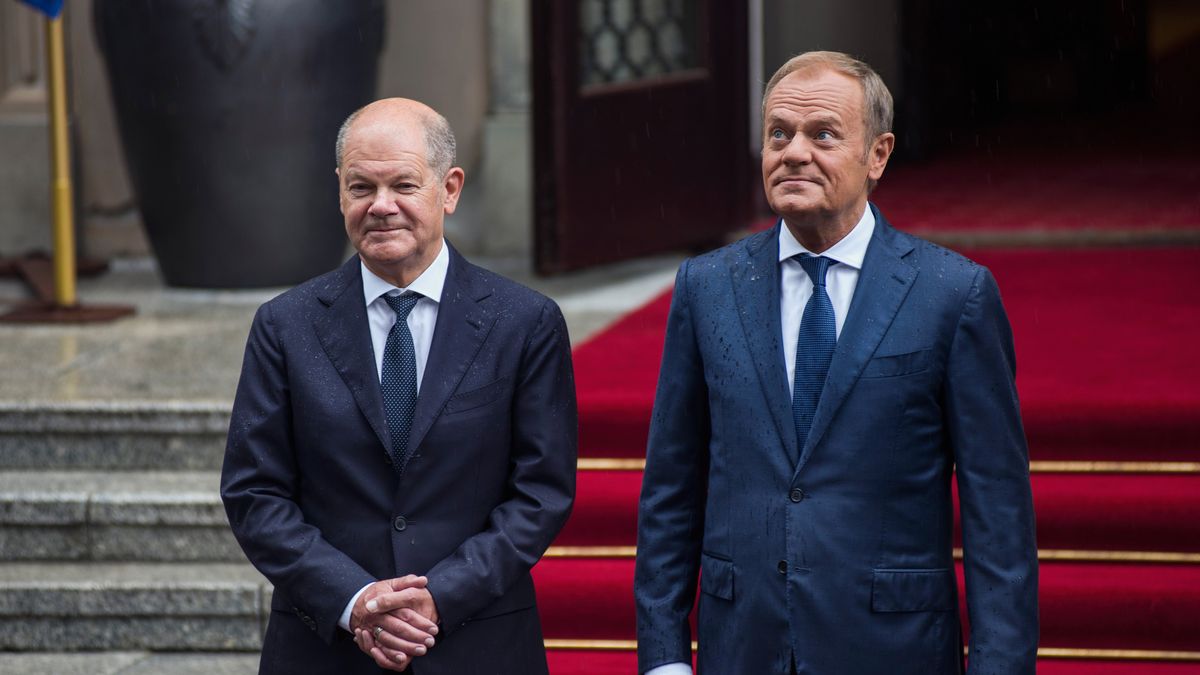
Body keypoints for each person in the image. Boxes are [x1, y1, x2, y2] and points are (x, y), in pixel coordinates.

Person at [633, 51, 1038, 674]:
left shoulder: (952, 293)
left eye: (822, 135)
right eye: (778, 134)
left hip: (892, 649)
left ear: (878, 155)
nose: (793, 152)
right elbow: (671, 487)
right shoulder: (706, 287)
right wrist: (663, 658)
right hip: (742, 645)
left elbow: (998, 516)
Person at [221, 98, 577, 674]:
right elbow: (254, 493)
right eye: (361, 187)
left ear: (450, 189)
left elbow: (541, 492)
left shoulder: (524, 322)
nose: (381, 206)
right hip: (326, 648)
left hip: (476, 643)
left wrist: (436, 597)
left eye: (404, 185)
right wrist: (356, 601)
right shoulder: (285, 325)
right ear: (339, 191)